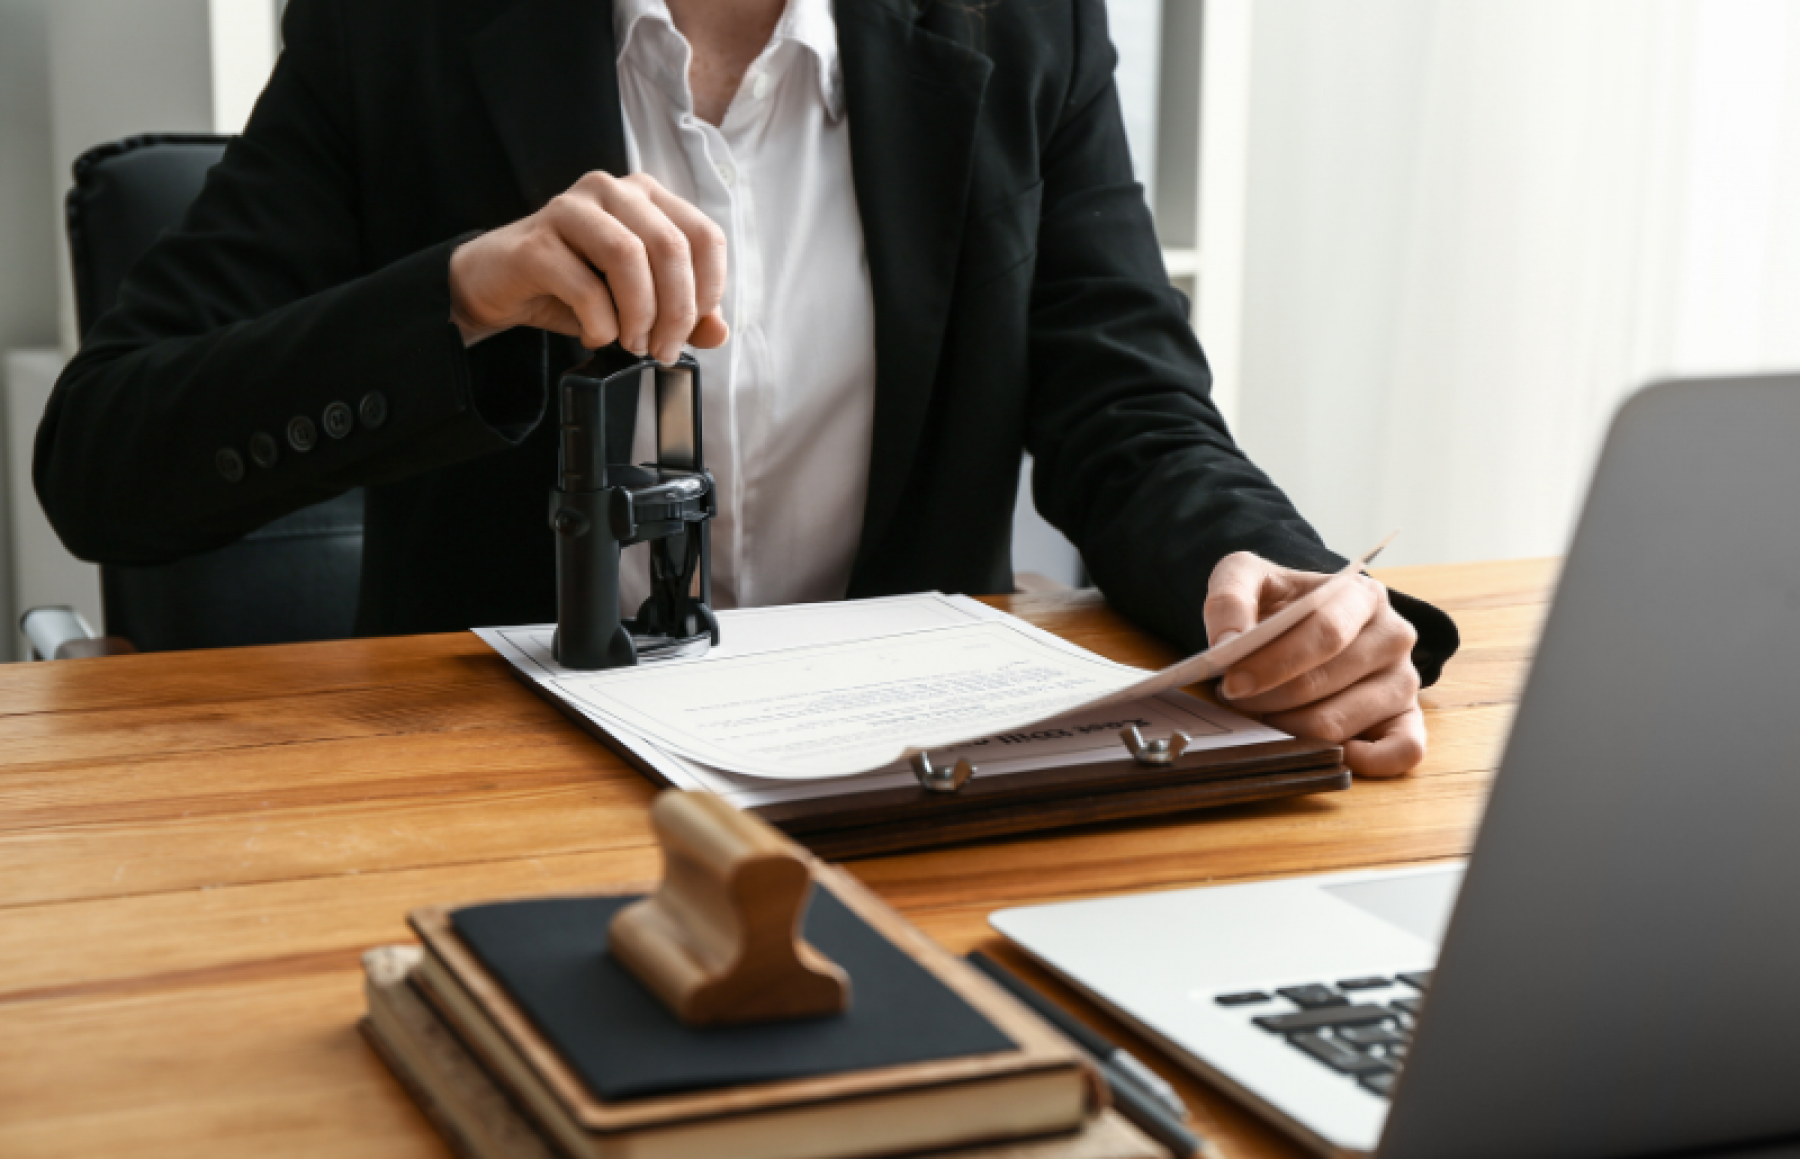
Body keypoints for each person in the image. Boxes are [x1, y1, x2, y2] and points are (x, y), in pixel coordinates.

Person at [35, 0, 1457, 775]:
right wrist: (462, 294)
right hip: (502, 796)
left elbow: (1128, 405)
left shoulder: (1028, 24)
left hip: (914, 783)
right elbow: (105, 455)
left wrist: (1257, 570)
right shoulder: (395, 28)